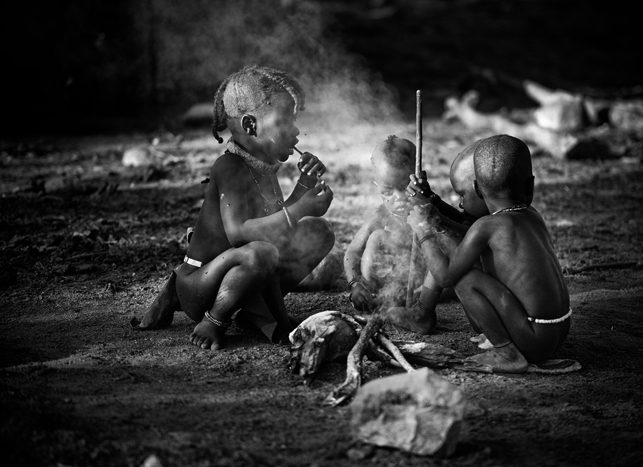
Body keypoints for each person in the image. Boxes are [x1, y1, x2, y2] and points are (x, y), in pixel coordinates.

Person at [137, 65, 335, 350]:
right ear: (250, 125)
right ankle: (215, 319)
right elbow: (240, 234)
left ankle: (256, 313)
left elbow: (276, 225)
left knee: (319, 231)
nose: (296, 130)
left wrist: (305, 186)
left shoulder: (263, 166)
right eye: (285, 121)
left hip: (242, 275)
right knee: (262, 252)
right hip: (201, 286)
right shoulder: (230, 167)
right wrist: (300, 208)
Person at [406, 134, 570, 372]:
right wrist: (433, 203)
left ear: (477, 189)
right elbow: (467, 231)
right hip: (555, 331)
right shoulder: (531, 215)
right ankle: (508, 344)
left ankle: (507, 353)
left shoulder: (487, 227)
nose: (461, 203)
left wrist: (423, 230)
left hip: (532, 340)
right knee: (462, 257)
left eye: (463, 196)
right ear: (530, 185)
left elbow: (445, 277)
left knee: (463, 277)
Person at [343, 135, 470, 334]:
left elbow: (461, 231)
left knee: (443, 240)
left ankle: (422, 310)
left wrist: (431, 207)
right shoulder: (381, 215)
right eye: (387, 192)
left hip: (428, 285)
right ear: (377, 186)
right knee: (377, 237)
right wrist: (355, 284)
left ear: (420, 179)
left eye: (405, 188)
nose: (399, 198)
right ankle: (370, 292)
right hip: (390, 285)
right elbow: (352, 251)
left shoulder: (429, 209)